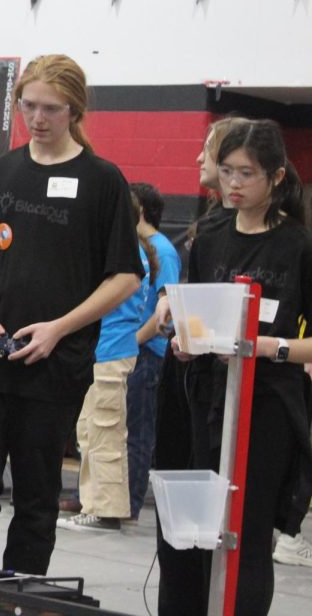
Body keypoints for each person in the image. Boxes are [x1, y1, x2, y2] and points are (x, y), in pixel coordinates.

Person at [0, 54, 142, 574]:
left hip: (54, 365)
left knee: (36, 501)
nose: (38, 118)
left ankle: (21, 596)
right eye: (29, 105)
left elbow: (126, 275)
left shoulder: (102, 180)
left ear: (74, 110)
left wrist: (60, 328)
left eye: (52, 109)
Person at [155, 120, 312, 616]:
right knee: (207, 531)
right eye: (227, 172)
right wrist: (185, 340)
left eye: (248, 174)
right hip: (208, 399)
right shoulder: (210, 234)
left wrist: (267, 347)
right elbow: (195, 315)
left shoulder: (298, 246)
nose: (235, 184)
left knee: (246, 529)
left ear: (277, 178)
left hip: (268, 404)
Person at [58, 192, 157, 533]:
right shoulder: (130, 252)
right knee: (90, 431)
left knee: (104, 432)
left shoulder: (129, 256)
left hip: (112, 352)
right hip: (103, 352)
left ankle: (106, 510)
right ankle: (94, 503)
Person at [125, 182, 181, 522]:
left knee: (138, 432)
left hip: (147, 354)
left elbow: (167, 304)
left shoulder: (163, 250)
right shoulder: (134, 245)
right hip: (130, 350)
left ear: (139, 209)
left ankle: (130, 502)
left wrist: (133, 341)